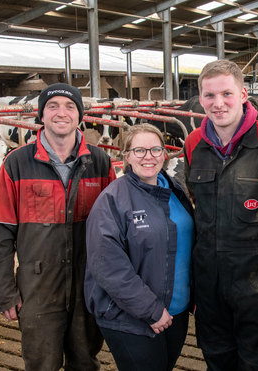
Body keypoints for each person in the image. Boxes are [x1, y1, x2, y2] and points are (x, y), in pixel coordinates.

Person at [0, 83, 116, 371]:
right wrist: (3, 292)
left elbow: (117, 227)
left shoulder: (100, 162)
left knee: (85, 360)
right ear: (41, 115)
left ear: (80, 115)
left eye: (70, 107)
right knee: (42, 363)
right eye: (52, 106)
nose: (61, 113)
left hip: (87, 283)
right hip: (38, 286)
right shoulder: (16, 163)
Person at [184, 59, 258, 371]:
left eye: (226, 94)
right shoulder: (192, 144)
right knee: (216, 355)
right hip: (208, 276)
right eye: (209, 96)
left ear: (243, 94)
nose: (218, 104)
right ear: (200, 98)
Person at [85, 123, 194, 371]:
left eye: (156, 149)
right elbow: (107, 266)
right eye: (139, 150)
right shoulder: (113, 199)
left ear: (165, 154)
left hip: (175, 311)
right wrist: (151, 310)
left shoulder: (174, 190)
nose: (149, 157)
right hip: (131, 316)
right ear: (127, 156)